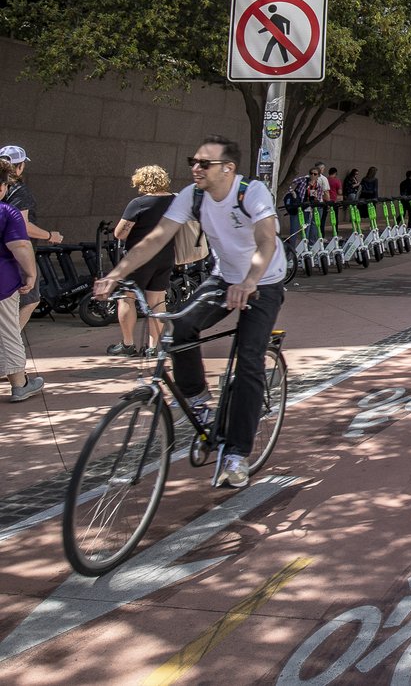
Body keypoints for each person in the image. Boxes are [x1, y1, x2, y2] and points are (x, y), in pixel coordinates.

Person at [94, 135, 287, 490]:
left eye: (204, 163)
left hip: (264, 282)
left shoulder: (251, 192)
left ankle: (237, 454)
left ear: (227, 169)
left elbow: (266, 240)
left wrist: (249, 281)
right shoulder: (192, 195)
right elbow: (155, 238)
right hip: (222, 277)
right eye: (192, 161)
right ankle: (200, 402)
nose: (195, 168)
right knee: (179, 326)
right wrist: (115, 275)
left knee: (248, 362)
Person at [107, 165, 175, 356]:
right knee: (158, 300)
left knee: (127, 297)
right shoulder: (175, 201)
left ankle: (128, 345)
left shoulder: (139, 203)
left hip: (139, 257)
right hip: (166, 255)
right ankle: (153, 348)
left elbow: (120, 233)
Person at [0, 144, 64, 331]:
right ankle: (9, 340)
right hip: (15, 256)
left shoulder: (8, 189)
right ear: (19, 167)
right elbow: (23, 227)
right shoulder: (19, 190)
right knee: (30, 299)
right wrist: (50, 235)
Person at [0, 163, 42, 402]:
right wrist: (31, 273)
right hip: (2, 282)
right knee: (7, 331)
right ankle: (20, 384)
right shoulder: (7, 212)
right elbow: (21, 245)